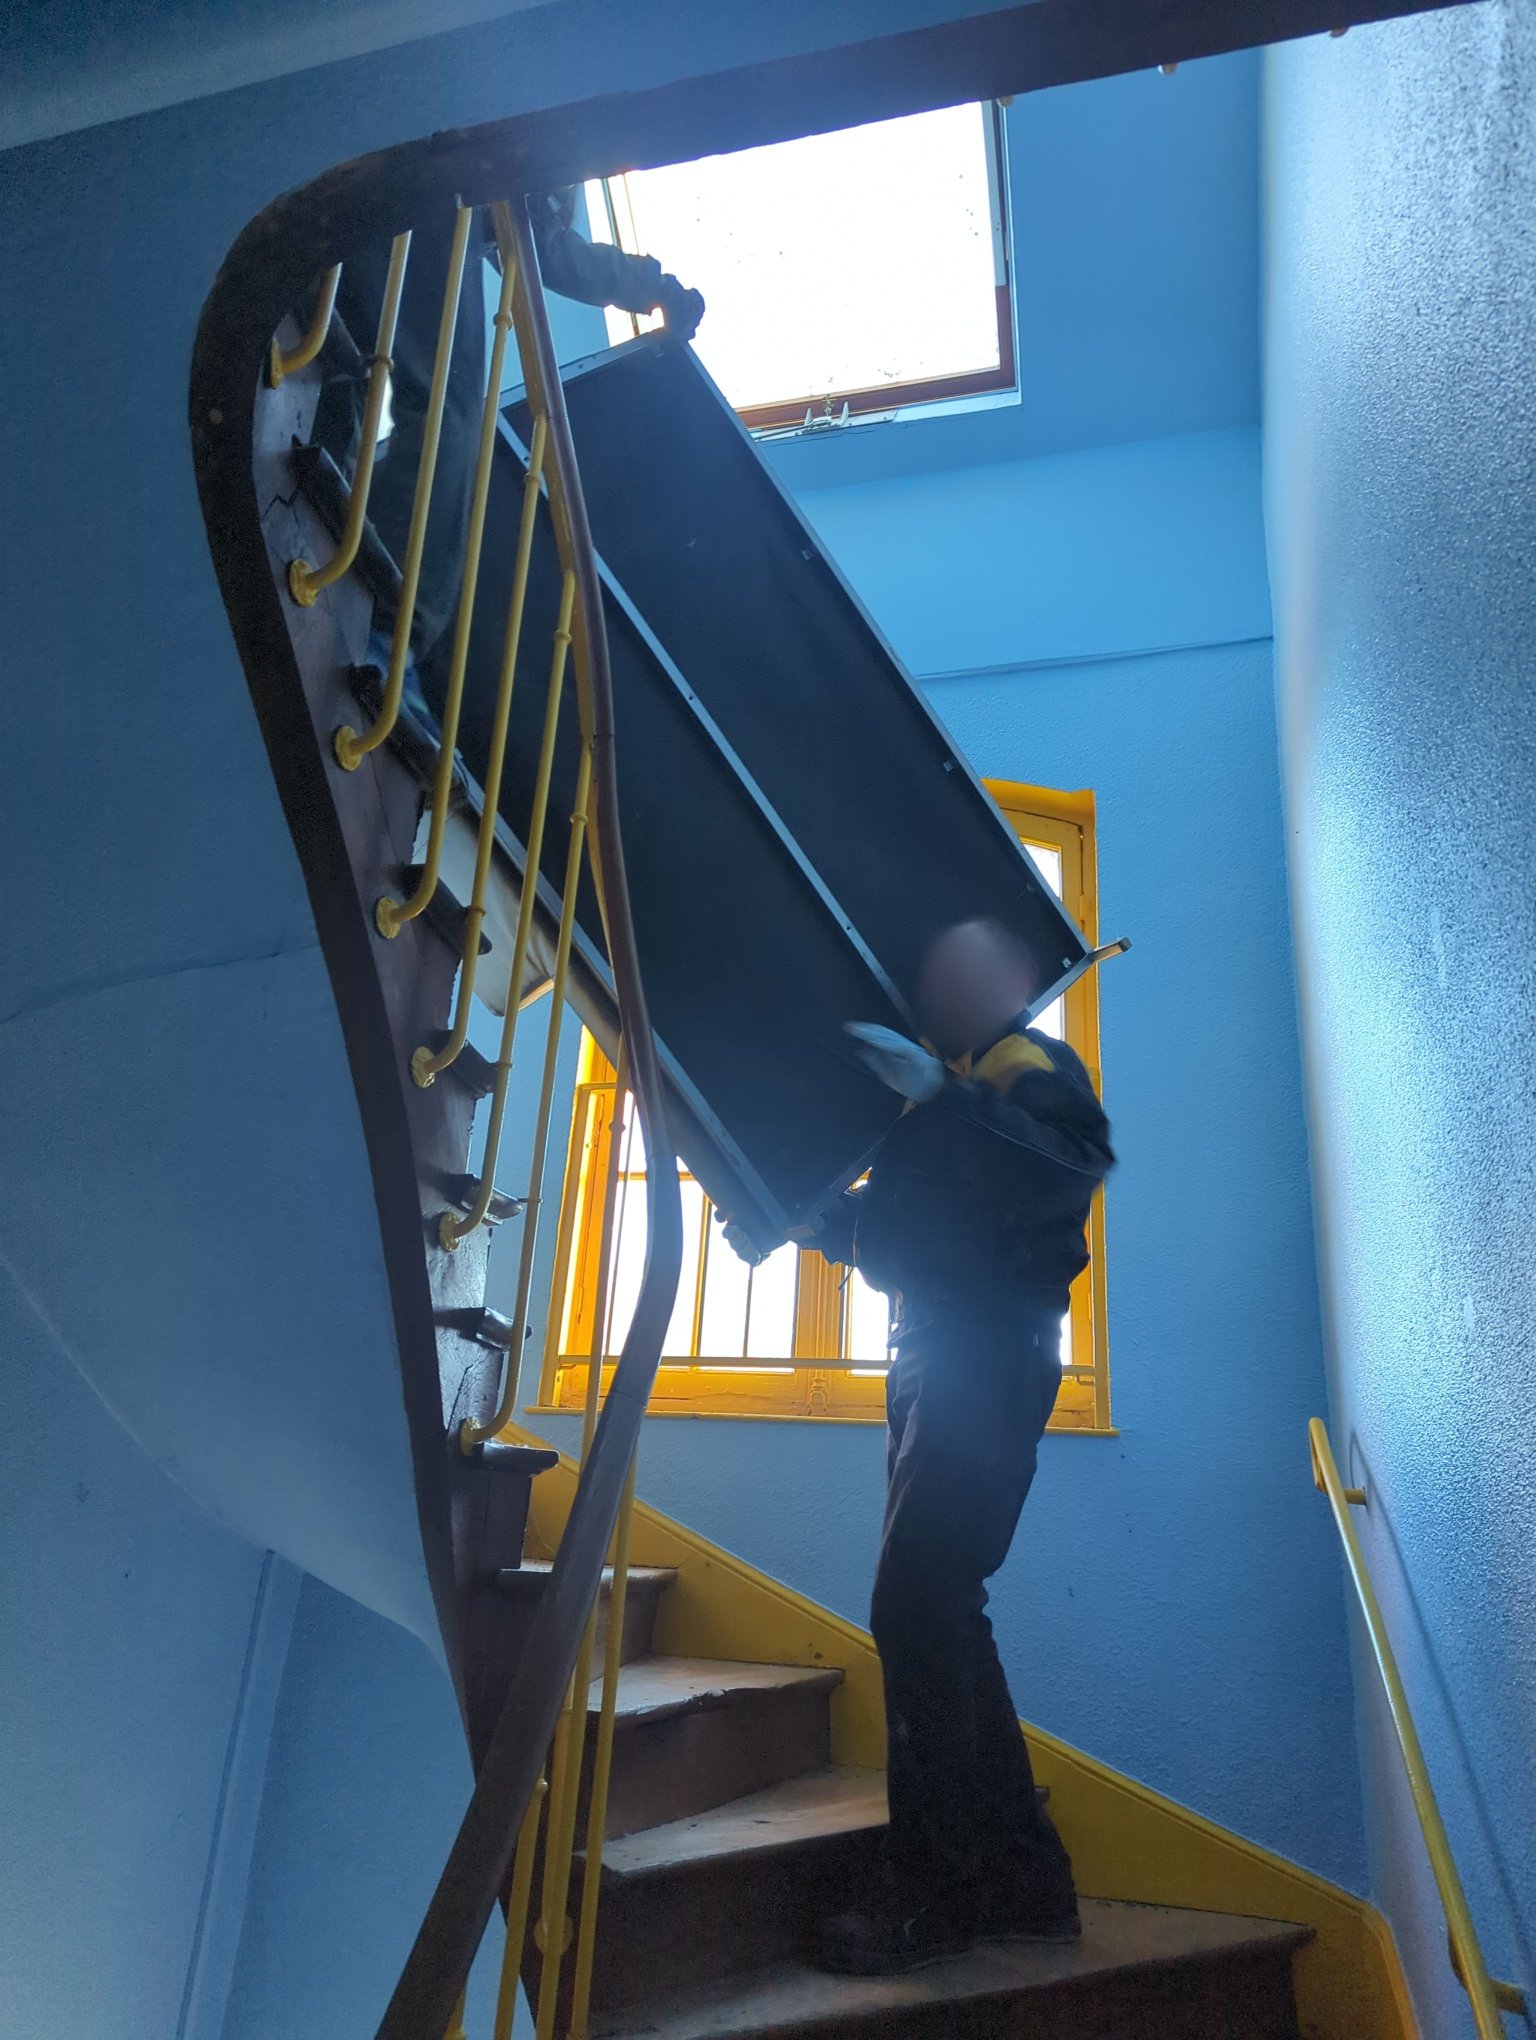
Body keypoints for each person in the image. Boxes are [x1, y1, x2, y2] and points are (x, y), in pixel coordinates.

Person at [726, 918, 1114, 1976]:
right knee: (943, 1606)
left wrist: (947, 1101)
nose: (946, 989)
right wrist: (804, 1220)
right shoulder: (940, 1099)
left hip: (989, 1351)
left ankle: (937, 1890)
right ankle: (1025, 1881)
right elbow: (905, 1238)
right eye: (936, 973)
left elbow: (1068, 1165)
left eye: (970, 972)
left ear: (1016, 983)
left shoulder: (1026, 1069)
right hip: (935, 1351)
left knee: (916, 1602)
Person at [307, 188, 704, 666]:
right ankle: (390, 630)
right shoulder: (558, 126)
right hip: (433, 202)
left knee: (345, 362)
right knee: (447, 411)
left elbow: (535, 231)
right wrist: (652, 287)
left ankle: (317, 499)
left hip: (339, 196)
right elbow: (542, 238)